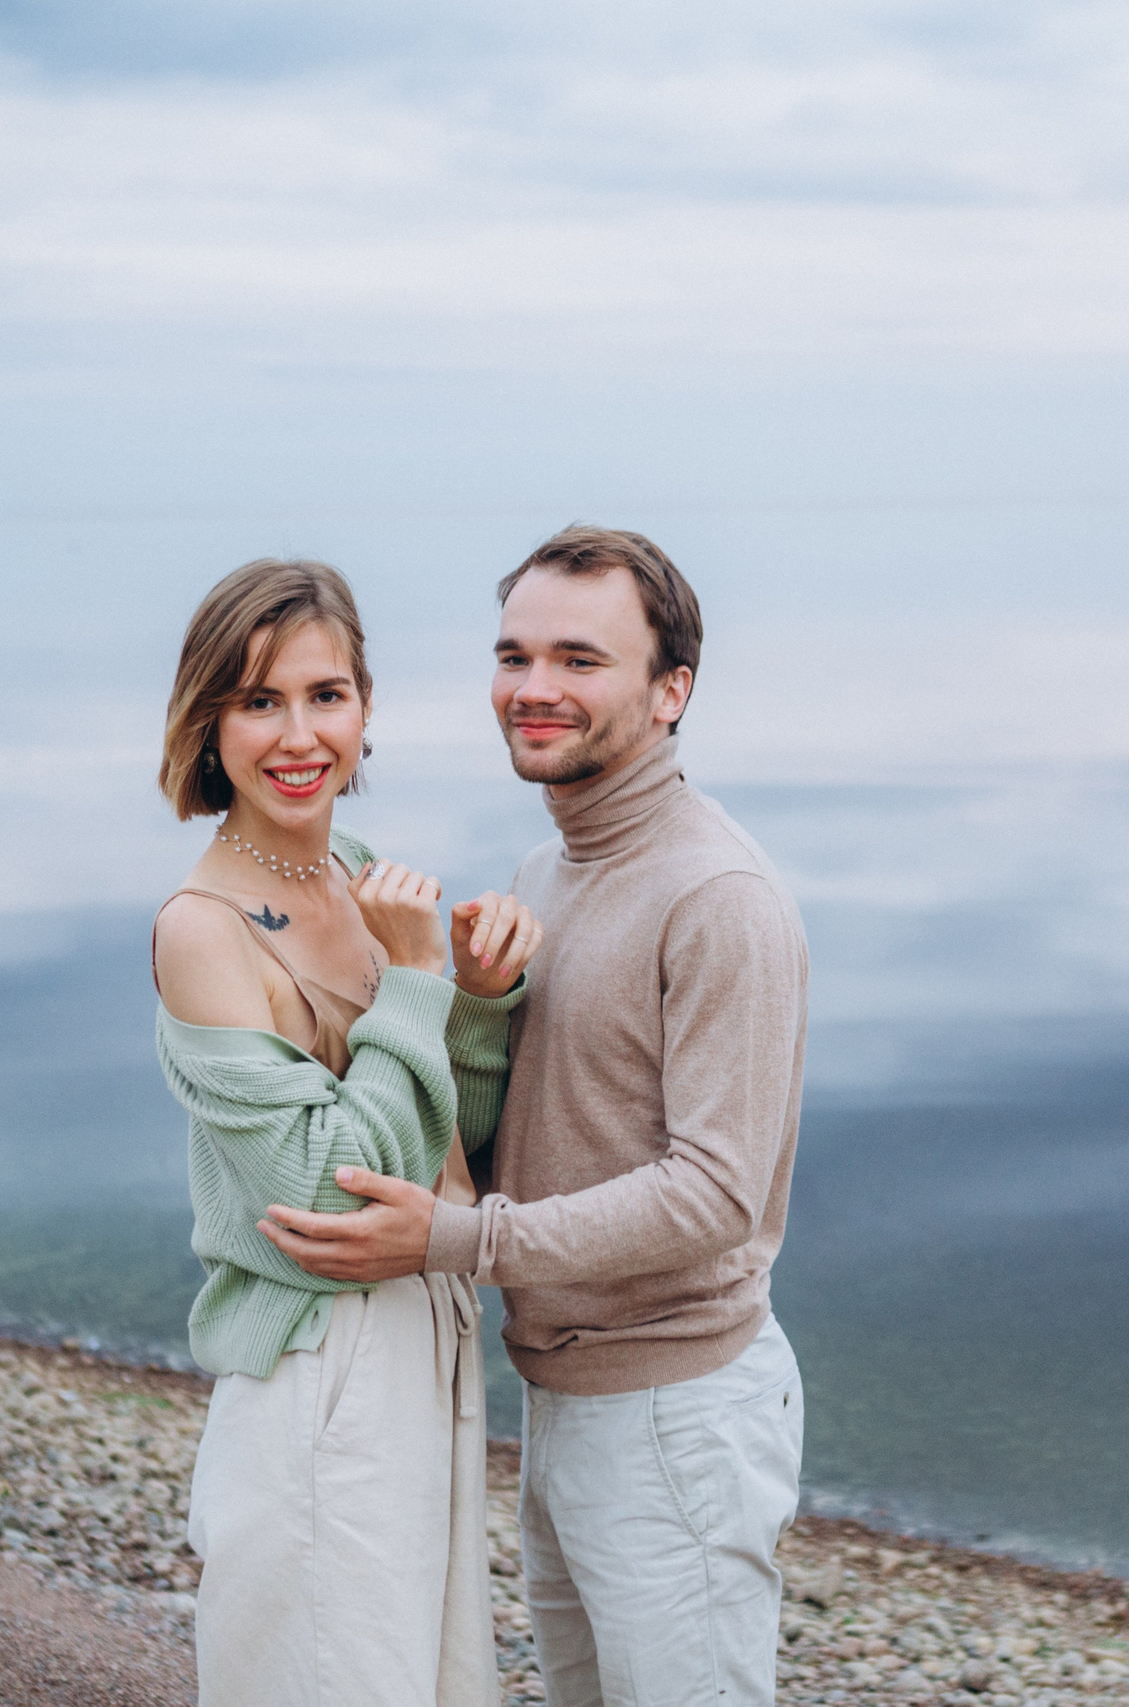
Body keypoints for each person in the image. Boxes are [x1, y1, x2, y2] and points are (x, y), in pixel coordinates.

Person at [264, 527, 810, 1707]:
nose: (534, 690)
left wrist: (459, 1244)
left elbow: (715, 1198)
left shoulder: (718, 898)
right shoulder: (541, 873)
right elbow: (514, 1140)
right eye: (514, 656)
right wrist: (477, 1002)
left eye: (579, 659)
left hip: (679, 1415)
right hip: (564, 1395)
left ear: (672, 691)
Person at [149, 556, 542, 1707]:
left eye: (326, 695)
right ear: (206, 723)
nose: (297, 734)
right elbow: (326, 1193)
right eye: (258, 700)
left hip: (427, 1343)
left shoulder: (363, 878)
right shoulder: (202, 929)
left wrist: (475, 995)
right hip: (318, 1367)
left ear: (365, 707)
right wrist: (416, 981)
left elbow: (444, 1146)